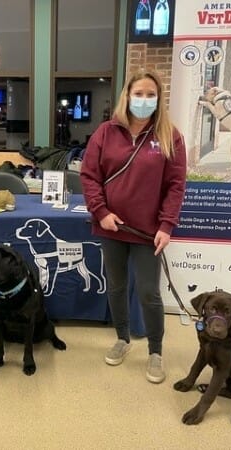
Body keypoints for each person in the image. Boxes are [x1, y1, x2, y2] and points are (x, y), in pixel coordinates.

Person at [80, 69, 186, 383]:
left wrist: (167, 225)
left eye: (150, 95)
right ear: (127, 95)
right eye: (138, 93)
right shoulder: (105, 132)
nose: (143, 100)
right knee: (115, 286)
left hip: (147, 232)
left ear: (159, 99)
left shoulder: (170, 136)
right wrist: (100, 211)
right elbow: (89, 176)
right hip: (110, 227)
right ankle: (123, 338)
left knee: (149, 292)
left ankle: (155, 351)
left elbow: (176, 186)